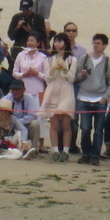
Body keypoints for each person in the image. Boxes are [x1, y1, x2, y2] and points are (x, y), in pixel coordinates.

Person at [42, 33, 77, 161]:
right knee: (54, 123)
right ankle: (55, 150)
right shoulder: (48, 59)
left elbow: (72, 78)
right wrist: (52, 70)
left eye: (60, 41)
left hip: (67, 91)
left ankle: (66, 151)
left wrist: (64, 68)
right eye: (55, 41)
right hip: (53, 91)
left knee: (66, 123)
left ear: (66, 43)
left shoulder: (72, 59)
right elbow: (47, 79)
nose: (57, 44)